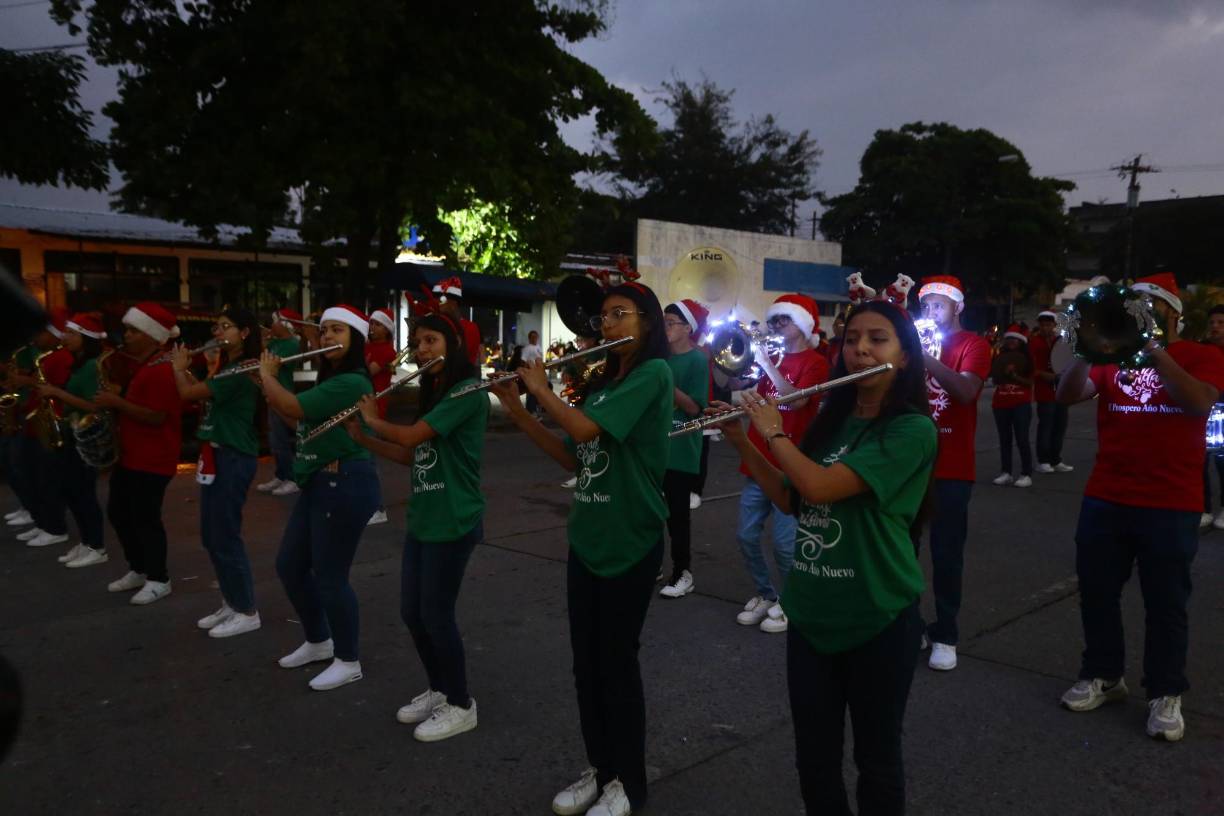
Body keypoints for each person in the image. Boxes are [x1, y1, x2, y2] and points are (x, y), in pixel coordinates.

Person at [717, 297, 935, 816]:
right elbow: (791, 498)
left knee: (877, 761)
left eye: (877, 339)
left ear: (904, 356)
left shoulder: (911, 429)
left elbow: (817, 487)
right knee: (813, 759)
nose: (860, 349)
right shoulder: (832, 422)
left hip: (877, 614)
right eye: (853, 339)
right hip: (813, 616)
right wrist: (743, 441)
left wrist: (773, 428)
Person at [490, 282, 672, 816]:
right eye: (604, 317)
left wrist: (542, 388)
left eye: (621, 314)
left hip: (631, 537)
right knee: (585, 665)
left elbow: (587, 428)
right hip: (588, 538)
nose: (609, 325)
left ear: (647, 321)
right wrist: (517, 409)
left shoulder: (653, 374)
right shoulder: (604, 382)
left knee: (616, 662)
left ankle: (629, 784)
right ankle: (602, 767)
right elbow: (575, 456)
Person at [1057, 273, 1224, 742]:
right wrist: (1086, 347)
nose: (1140, 313)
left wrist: (1152, 347)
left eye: (1151, 307)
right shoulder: (1108, 357)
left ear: (1173, 314)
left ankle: (1165, 691)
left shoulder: (1202, 355)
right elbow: (1067, 394)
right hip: (1106, 494)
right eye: (1135, 306)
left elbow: (1198, 403)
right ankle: (1105, 675)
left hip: (1170, 501)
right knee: (1097, 592)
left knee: (1166, 602)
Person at [348, 312, 488, 742]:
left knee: (436, 614)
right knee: (413, 612)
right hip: (425, 518)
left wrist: (372, 417)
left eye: (431, 340)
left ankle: (462, 704)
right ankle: (440, 688)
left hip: (455, 518)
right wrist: (363, 440)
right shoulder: (436, 393)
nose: (423, 349)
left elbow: (412, 438)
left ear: (454, 346)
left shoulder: (468, 390)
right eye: (418, 341)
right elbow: (415, 456)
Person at [260, 305, 381, 691]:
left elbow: (293, 406)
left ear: (356, 338)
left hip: (344, 482)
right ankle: (318, 640)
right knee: (290, 566)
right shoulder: (327, 376)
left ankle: (348, 659)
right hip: (318, 482)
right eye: (324, 331)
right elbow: (297, 416)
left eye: (338, 331)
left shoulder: (353, 381)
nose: (327, 337)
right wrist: (272, 389)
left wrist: (267, 377)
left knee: (330, 576)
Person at [731, 294, 830, 634]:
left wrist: (767, 363)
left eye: (781, 321)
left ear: (801, 325)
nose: (774, 327)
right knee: (745, 535)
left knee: (786, 546)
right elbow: (754, 391)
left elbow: (798, 399)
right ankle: (766, 594)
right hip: (759, 460)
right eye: (772, 321)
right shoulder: (770, 354)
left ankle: (792, 601)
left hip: (791, 465)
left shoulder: (816, 362)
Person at [914, 276, 991, 671]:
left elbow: (964, 391)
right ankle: (909, 626)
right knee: (902, 550)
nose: (930, 312)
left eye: (939, 305)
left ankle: (946, 632)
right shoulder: (915, 345)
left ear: (957, 307)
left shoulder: (973, 345)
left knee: (946, 554)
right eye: (926, 306)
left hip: (952, 467)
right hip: (911, 464)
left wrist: (923, 356)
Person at [172, 308, 263, 638]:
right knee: (211, 535)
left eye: (227, 327)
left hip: (234, 456)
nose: (219, 332)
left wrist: (179, 369)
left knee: (225, 536)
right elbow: (208, 395)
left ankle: (247, 609)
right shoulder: (227, 365)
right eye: (218, 326)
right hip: (217, 453)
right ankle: (232, 599)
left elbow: (187, 394)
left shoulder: (243, 367)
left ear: (246, 333)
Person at [95, 303, 184, 605]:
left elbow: (157, 416)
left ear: (151, 335)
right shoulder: (145, 365)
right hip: (132, 455)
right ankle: (139, 568)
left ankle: (159, 579)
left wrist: (115, 402)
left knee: (146, 519)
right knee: (120, 513)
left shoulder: (161, 369)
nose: (127, 336)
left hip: (153, 459)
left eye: (134, 331)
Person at [33, 313, 109, 567]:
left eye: (72, 333)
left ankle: (96, 546)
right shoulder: (78, 363)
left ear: (86, 338)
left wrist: (56, 392)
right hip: (70, 431)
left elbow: (93, 406)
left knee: (83, 493)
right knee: (71, 491)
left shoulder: (90, 367)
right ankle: (87, 541)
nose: (65, 337)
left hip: (83, 436)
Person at [659, 299, 710, 598]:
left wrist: (666, 382)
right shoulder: (660, 358)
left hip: (681, 446)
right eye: (664, 321)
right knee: (650, 512)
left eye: (671, 323)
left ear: (687, 328)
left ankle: (683, 572)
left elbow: (694, 407)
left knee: (677, 516)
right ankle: (653, 565)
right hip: (655, 445)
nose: (665, 327)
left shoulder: (697, 361)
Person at [257, 309, 304, 496]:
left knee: (281, 438)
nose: (271, 325)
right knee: (274, 438)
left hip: (282, 392)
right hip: (270, 391)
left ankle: (292, 477)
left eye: (275, 321)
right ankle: (281, 474)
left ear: (285, 324)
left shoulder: (292, 344)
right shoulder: (275, 341)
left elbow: (274, 364)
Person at [364, 307, 399, 526]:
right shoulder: (366, 346)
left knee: (368, 458)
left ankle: (378, 507)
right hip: (362, 402)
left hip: (375, 407)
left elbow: (367, 372)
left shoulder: (387, 351)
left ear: (387, 329)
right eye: (371, 323)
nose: (372, 327)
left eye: (377, 324)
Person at [990, 325, 1035, 488]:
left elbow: (1030, 383)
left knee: (1022, 438)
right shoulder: (1000, 357)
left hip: (1021, 404)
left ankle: (1026, 473)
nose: (1011, 342)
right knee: (1004, 439)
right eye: (1008, 339)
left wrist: (1014, 375)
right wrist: (1003, 372)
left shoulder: (1027, 359)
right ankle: (1006, 472)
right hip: (1000, 403)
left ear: (1021, 342)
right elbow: (995, 380)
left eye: (1014, 339)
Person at [1030, 310, 1073, 474]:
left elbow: (1067, 360)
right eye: (1043, 325)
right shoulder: (1033, 342)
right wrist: (1042, 374)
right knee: (1046, 426)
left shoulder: (1061, 341)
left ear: (1054, 325)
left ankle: (1056, 459)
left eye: (1049, 325)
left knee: (1060, 426)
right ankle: (1043, 460)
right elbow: (1028, 366)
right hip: (1044, 391)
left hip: (1061, 390)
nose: (1045, 327)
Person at [1200, 304, 1224, 528]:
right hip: (1205, 414)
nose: (1215, 327)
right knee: (1201, 461)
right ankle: (1204, 508)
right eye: (1212, 323)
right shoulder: (1202, 349)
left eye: (1221, 323)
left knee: (1222, 462)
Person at [432, 276, 482, 365]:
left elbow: (460, 357)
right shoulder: (440, 324)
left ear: (453, 304)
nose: (437, 305)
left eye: (441, 301)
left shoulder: (470, 327)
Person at [522, 330, 548, 415]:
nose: (534, 339)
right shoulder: (527, 348)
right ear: (529, 338)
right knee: (531, 393)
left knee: (539, 392)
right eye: (532, 337)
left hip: (539, 373)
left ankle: (537, 409)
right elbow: (524, 362)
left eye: (536, 337)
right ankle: (530, 411)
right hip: (531, 373)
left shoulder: (538, 347)